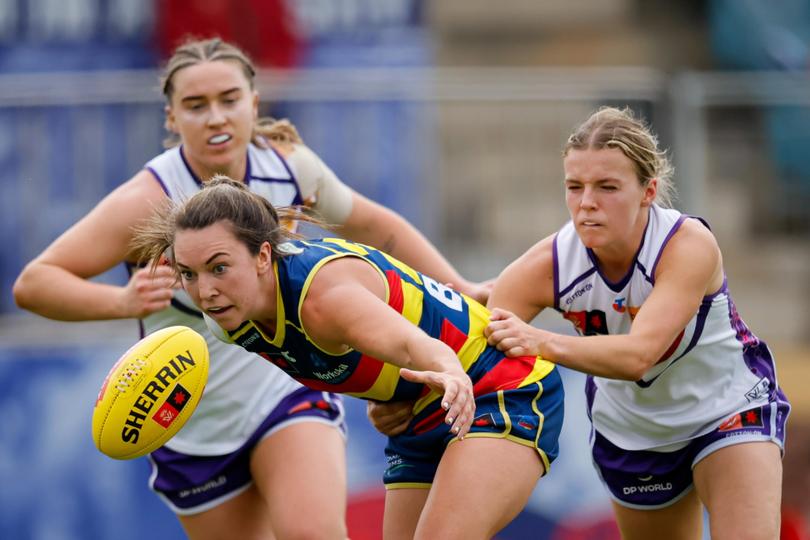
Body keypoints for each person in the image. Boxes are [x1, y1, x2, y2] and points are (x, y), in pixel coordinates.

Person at [12, 37, 489, 540]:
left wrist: (459, 285)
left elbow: (376, 226)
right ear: (171, 118)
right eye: (196, 106)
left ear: (254, 103)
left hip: (283, 390)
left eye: (229, 99)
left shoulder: (288, 165)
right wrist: (121, 301)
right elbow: (34, 283)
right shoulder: (148, 200)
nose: (216, 116)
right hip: (190, 419)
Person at [130, 175, 564, 540]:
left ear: (263, 255)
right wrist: (386, 395)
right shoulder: (228, 318)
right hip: (421, 410)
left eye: (219, 267)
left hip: (498, 384)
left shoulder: (323, 300)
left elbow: (415, 346)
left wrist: (449, 372)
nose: (204, 291)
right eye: (188, 274)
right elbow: (359, 359)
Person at [483, 106, 790, 540]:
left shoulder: (687, 246)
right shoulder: (545, 265)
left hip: (727, 407)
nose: (587, 202)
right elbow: (477, 348)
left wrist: (537, 341)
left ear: (649, 191)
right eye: (575, 186)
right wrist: (399, 400)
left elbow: (639, 356)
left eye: (607, 186)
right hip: (632, 429)